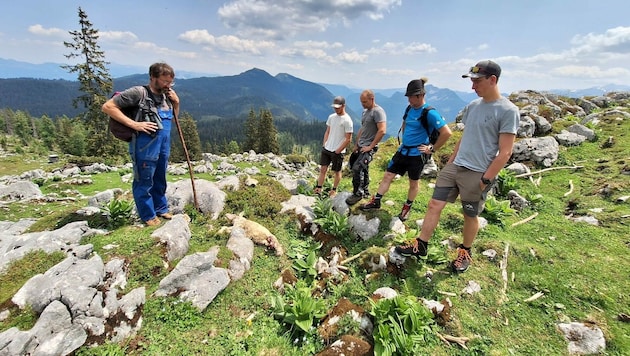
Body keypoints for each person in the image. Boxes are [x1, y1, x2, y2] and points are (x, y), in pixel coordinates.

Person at [395, 60, 520, 273]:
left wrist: (485, 179)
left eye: (477, 81)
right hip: (456, 166)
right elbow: (464, 138)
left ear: (493, 80)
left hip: (477, 172)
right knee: (434, 204)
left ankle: (465, 251)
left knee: (469, 214)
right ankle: (421, 244)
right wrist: (451, 162)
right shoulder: (472, 107)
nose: (473, 86)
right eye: (472, 81)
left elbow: (505, 152)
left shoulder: (508, 111)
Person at [359, 78, 452, 222]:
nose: (408, 99)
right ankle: (376, 200)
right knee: (388, 175)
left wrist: (431, 148)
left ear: (420, 95)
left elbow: (447, 132)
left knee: (413, 182)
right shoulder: (409, 109)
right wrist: (404, 140)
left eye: (411, 97)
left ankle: (407, 207)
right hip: (403, 150)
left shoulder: (430, 113)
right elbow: (404, 123)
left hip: (417, 154)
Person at [102, 62, 180, 226]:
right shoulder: (138, 93)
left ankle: (161, 208)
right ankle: (148, 215)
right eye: (165, 81)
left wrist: (176, 103)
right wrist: (135, 124)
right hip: (144, 144)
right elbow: (108, 107)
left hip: (163, 144)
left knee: (160, 177)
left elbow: (172, 120)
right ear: (153, 77)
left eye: (170, 82)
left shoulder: (167, 96)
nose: (168, 85)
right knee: (144, 180)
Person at [345, 89, 387, 205]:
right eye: (361, 102)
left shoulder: (378, 112)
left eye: (365, 102)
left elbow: (382, 130)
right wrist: (357, 144)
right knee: (362, 168)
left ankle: (357, 194)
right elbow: (363, 128)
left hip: (369, 147)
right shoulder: (365, 111)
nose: (362, 104)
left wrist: (371, 146)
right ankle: (365, 190)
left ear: (372, 99)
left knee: (357, 168)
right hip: (361, 145)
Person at [314, 96, 353, 197]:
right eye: (334, 107)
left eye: (338, 107)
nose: (336, 109)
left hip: (337, 151)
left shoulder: (347, 120)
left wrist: (338, 150)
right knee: (323, 169)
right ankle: (319, 188)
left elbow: (348, 139)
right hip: (327, 148)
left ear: (343, 106)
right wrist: (324, 144)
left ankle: (334, 190)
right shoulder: (331, 117)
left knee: (337, 171)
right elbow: (327, 131)